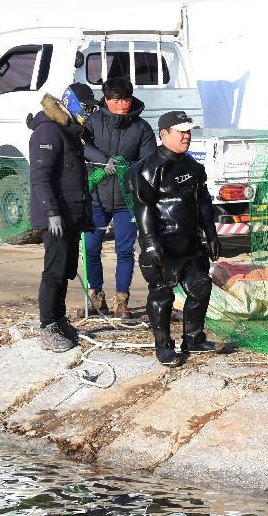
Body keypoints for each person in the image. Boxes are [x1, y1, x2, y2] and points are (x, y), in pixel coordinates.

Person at [129, 110, 220, 366]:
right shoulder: (147, 169)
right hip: (162, 244)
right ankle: (163, 345)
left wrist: (211, 233)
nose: (186, 136)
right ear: (164, 134)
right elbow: (143, 207)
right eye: (181, 132)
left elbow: (202, 202)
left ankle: (194, 338)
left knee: (201, 286)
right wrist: (149, 242)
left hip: (190, 243)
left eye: (189, 131)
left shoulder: (192, 166)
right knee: (162, 294)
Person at [29, 83, 99, 352]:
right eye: (86, 107)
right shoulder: (48, 130)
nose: (89, 112)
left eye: (92, 108)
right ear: (69, 102)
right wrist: (51, 213)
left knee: (66, 271)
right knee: (54, 273)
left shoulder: (71, 132)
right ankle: (48, 325)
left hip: (71, 215)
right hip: (56, 217)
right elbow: (40, 176)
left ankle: (59, 319)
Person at [82, 77, 157, 319]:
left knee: (125, 251)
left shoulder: (141, 128)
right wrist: (105, 161)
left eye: (125, 99)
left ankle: (121, 301)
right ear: (106, 99)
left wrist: (128, 167)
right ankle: (95, 297)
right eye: (115, 100)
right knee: (91, 248)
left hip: (127, 201)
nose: (121, 104)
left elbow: (148, 162)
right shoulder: (92, 123)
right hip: (95, 198)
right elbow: (80, 145)